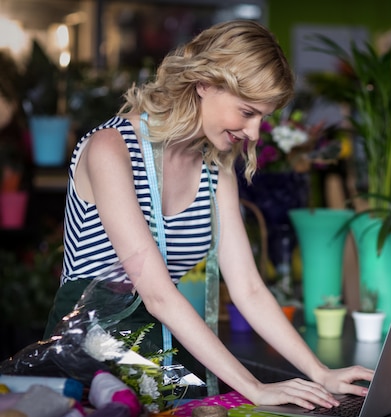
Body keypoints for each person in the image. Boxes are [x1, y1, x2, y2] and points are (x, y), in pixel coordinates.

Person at [43, 19, 373, 409]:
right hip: (84, 340)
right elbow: (158, 294)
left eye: (262, 118)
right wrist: (256, 388)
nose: (253, 133)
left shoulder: (215, 168)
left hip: (154, 342)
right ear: (204, 83)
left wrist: (319, 371)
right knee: (206, 399)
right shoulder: (111, 148)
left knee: (208, 401)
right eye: (247, 112)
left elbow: (248, 288)